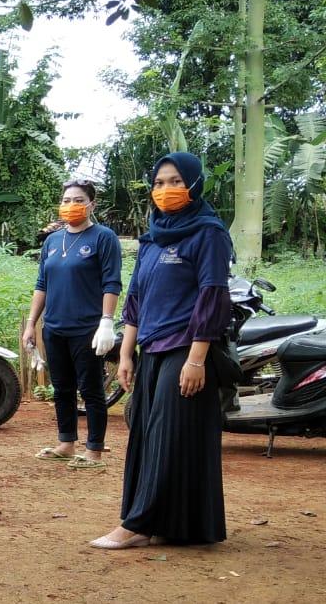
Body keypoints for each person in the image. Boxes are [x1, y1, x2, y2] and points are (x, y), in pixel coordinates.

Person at [90, 151, 231, 549]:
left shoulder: (209, 233)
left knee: (168, 436)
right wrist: (126, 353)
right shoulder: (153, 238)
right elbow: (136, 297)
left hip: (186, 348)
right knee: (147, 438)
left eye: (175, 181)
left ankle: (137, 525)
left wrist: (196, 359)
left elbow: (212, 296)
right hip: (151, 347)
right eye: (159, 183)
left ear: (195, 184)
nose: (165, 190)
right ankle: (178, 526)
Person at [23, 179, 122, 469]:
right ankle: (66, 442)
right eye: (66, 200)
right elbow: (42, 284)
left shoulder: (104, 238)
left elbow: (111, 283)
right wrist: (32, 324)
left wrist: (106, 321)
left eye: (78, 200)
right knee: (62, 387)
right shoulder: (53, 241)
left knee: (91, 389)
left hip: (87, 329)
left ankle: (94, 450)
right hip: (54, 327)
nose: (71, 206)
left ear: (92, 204)